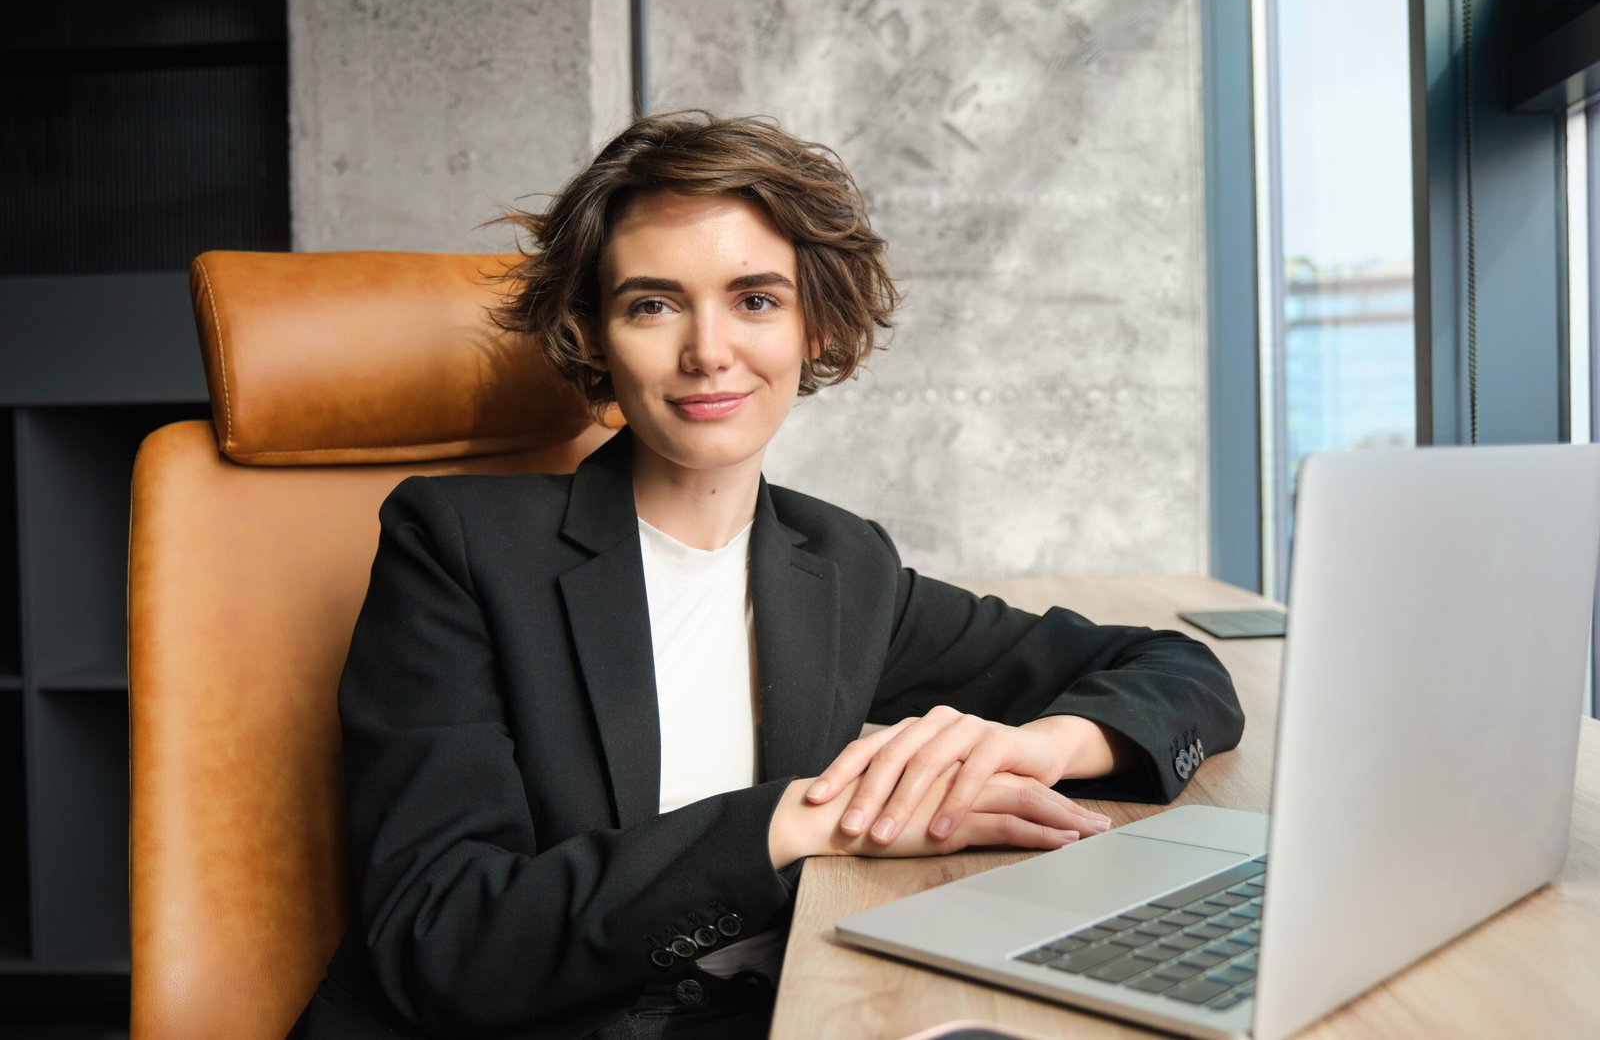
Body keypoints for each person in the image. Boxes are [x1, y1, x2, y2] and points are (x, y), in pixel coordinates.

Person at [290, 112, 1244, 1040]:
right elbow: (442, 936)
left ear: (814, 328)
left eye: (755, 299)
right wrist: (791, 822)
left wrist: (1040, 745)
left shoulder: (841, 567)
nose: (710, 350)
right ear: (593, 333)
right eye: (653, 303)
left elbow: (1180, 673)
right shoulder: (458, 548)